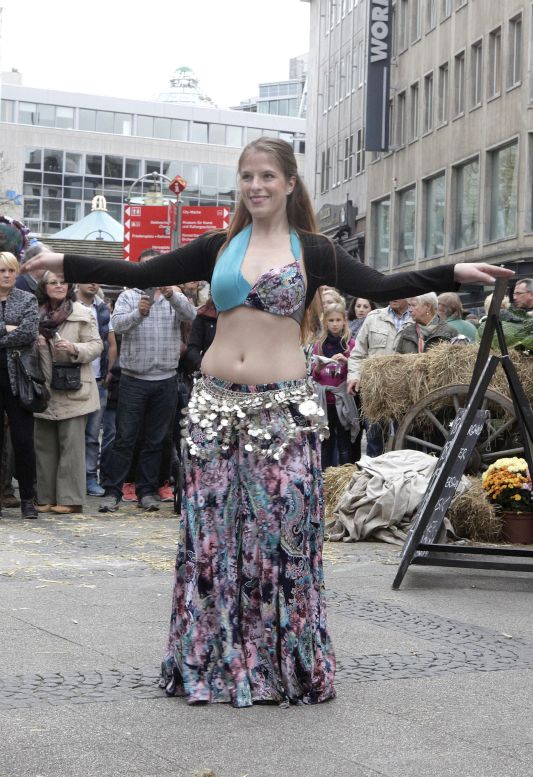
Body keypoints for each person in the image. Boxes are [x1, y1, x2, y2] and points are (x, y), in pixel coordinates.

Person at [21, 136, 513, 707]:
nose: (256, 186)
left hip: (281, 413)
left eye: (267, 176)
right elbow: (139, 272)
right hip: (212, 409)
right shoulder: (218, 246)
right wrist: (64, 261)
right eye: (247, 176)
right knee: (210, 539)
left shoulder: (314, 250)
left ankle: (278, 665)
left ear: (289, 183)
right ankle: (215, 660)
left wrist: (454, 272)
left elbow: (380, 286)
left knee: (279, 538)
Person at [98, 250, 196, 513]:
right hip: (134, 379)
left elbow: (191, 315)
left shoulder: (173, 295)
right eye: (146, 267)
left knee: (157, 439)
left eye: (156, 266)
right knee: (124, 438)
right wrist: (138, 314)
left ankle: (146, 492)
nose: (151, 271)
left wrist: (172, 294)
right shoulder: (128, 296)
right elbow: (117, 326)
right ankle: (113, 492)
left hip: (166, 379)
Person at [34, 273, 103, 514]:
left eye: (62, 282)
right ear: (44, 287)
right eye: (53, 282)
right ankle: (45, 497)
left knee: (71, 446)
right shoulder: (35, 313)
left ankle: (70, 499)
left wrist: (74, 348)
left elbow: (96, 345)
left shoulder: (82, 312)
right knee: (44, 446)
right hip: (42, 386)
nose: (58, 286)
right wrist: (35, 345)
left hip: (74, 387)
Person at [0, 252, 39, 519]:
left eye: (11, 270)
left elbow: (29, 333)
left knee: (24, 441)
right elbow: (17, 333)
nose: (6, 275)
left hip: (19, 380)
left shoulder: (27, 299)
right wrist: (8, 329)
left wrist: (8, 332)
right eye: (2, 270)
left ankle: (27, 498)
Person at [347, 298, 411, 457]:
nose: (394, 297)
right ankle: (374, 471)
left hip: (405, 392)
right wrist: (354, 376)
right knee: (375, 441)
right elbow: (358, 353)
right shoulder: (374, 317)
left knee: (404, 441)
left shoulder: (416, 317)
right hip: (375, 391)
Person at [76, 282, 117, 496]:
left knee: (92, 436)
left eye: (96, 279)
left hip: (98, 380)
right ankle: (72, 479)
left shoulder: (102, 308)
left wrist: (110, 370)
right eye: (88, 278)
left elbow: (111, 343)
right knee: (71, 435)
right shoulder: (69, 304)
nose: (93, 283)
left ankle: (90, 477)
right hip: (73, 379)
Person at [312, 302, 358, 468]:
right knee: (326, 440)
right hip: (325, 401)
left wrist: (346, 362)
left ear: (344, 321)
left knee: (344, 441)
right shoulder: (319, 345)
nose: (335, 324)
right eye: (331, 320)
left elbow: (356, 369)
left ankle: (344, 474)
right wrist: (319, 367)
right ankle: (325, 475)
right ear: (325, 322)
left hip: (343, 399)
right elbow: (314, 375)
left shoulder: (350, 344)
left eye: (338, 320)